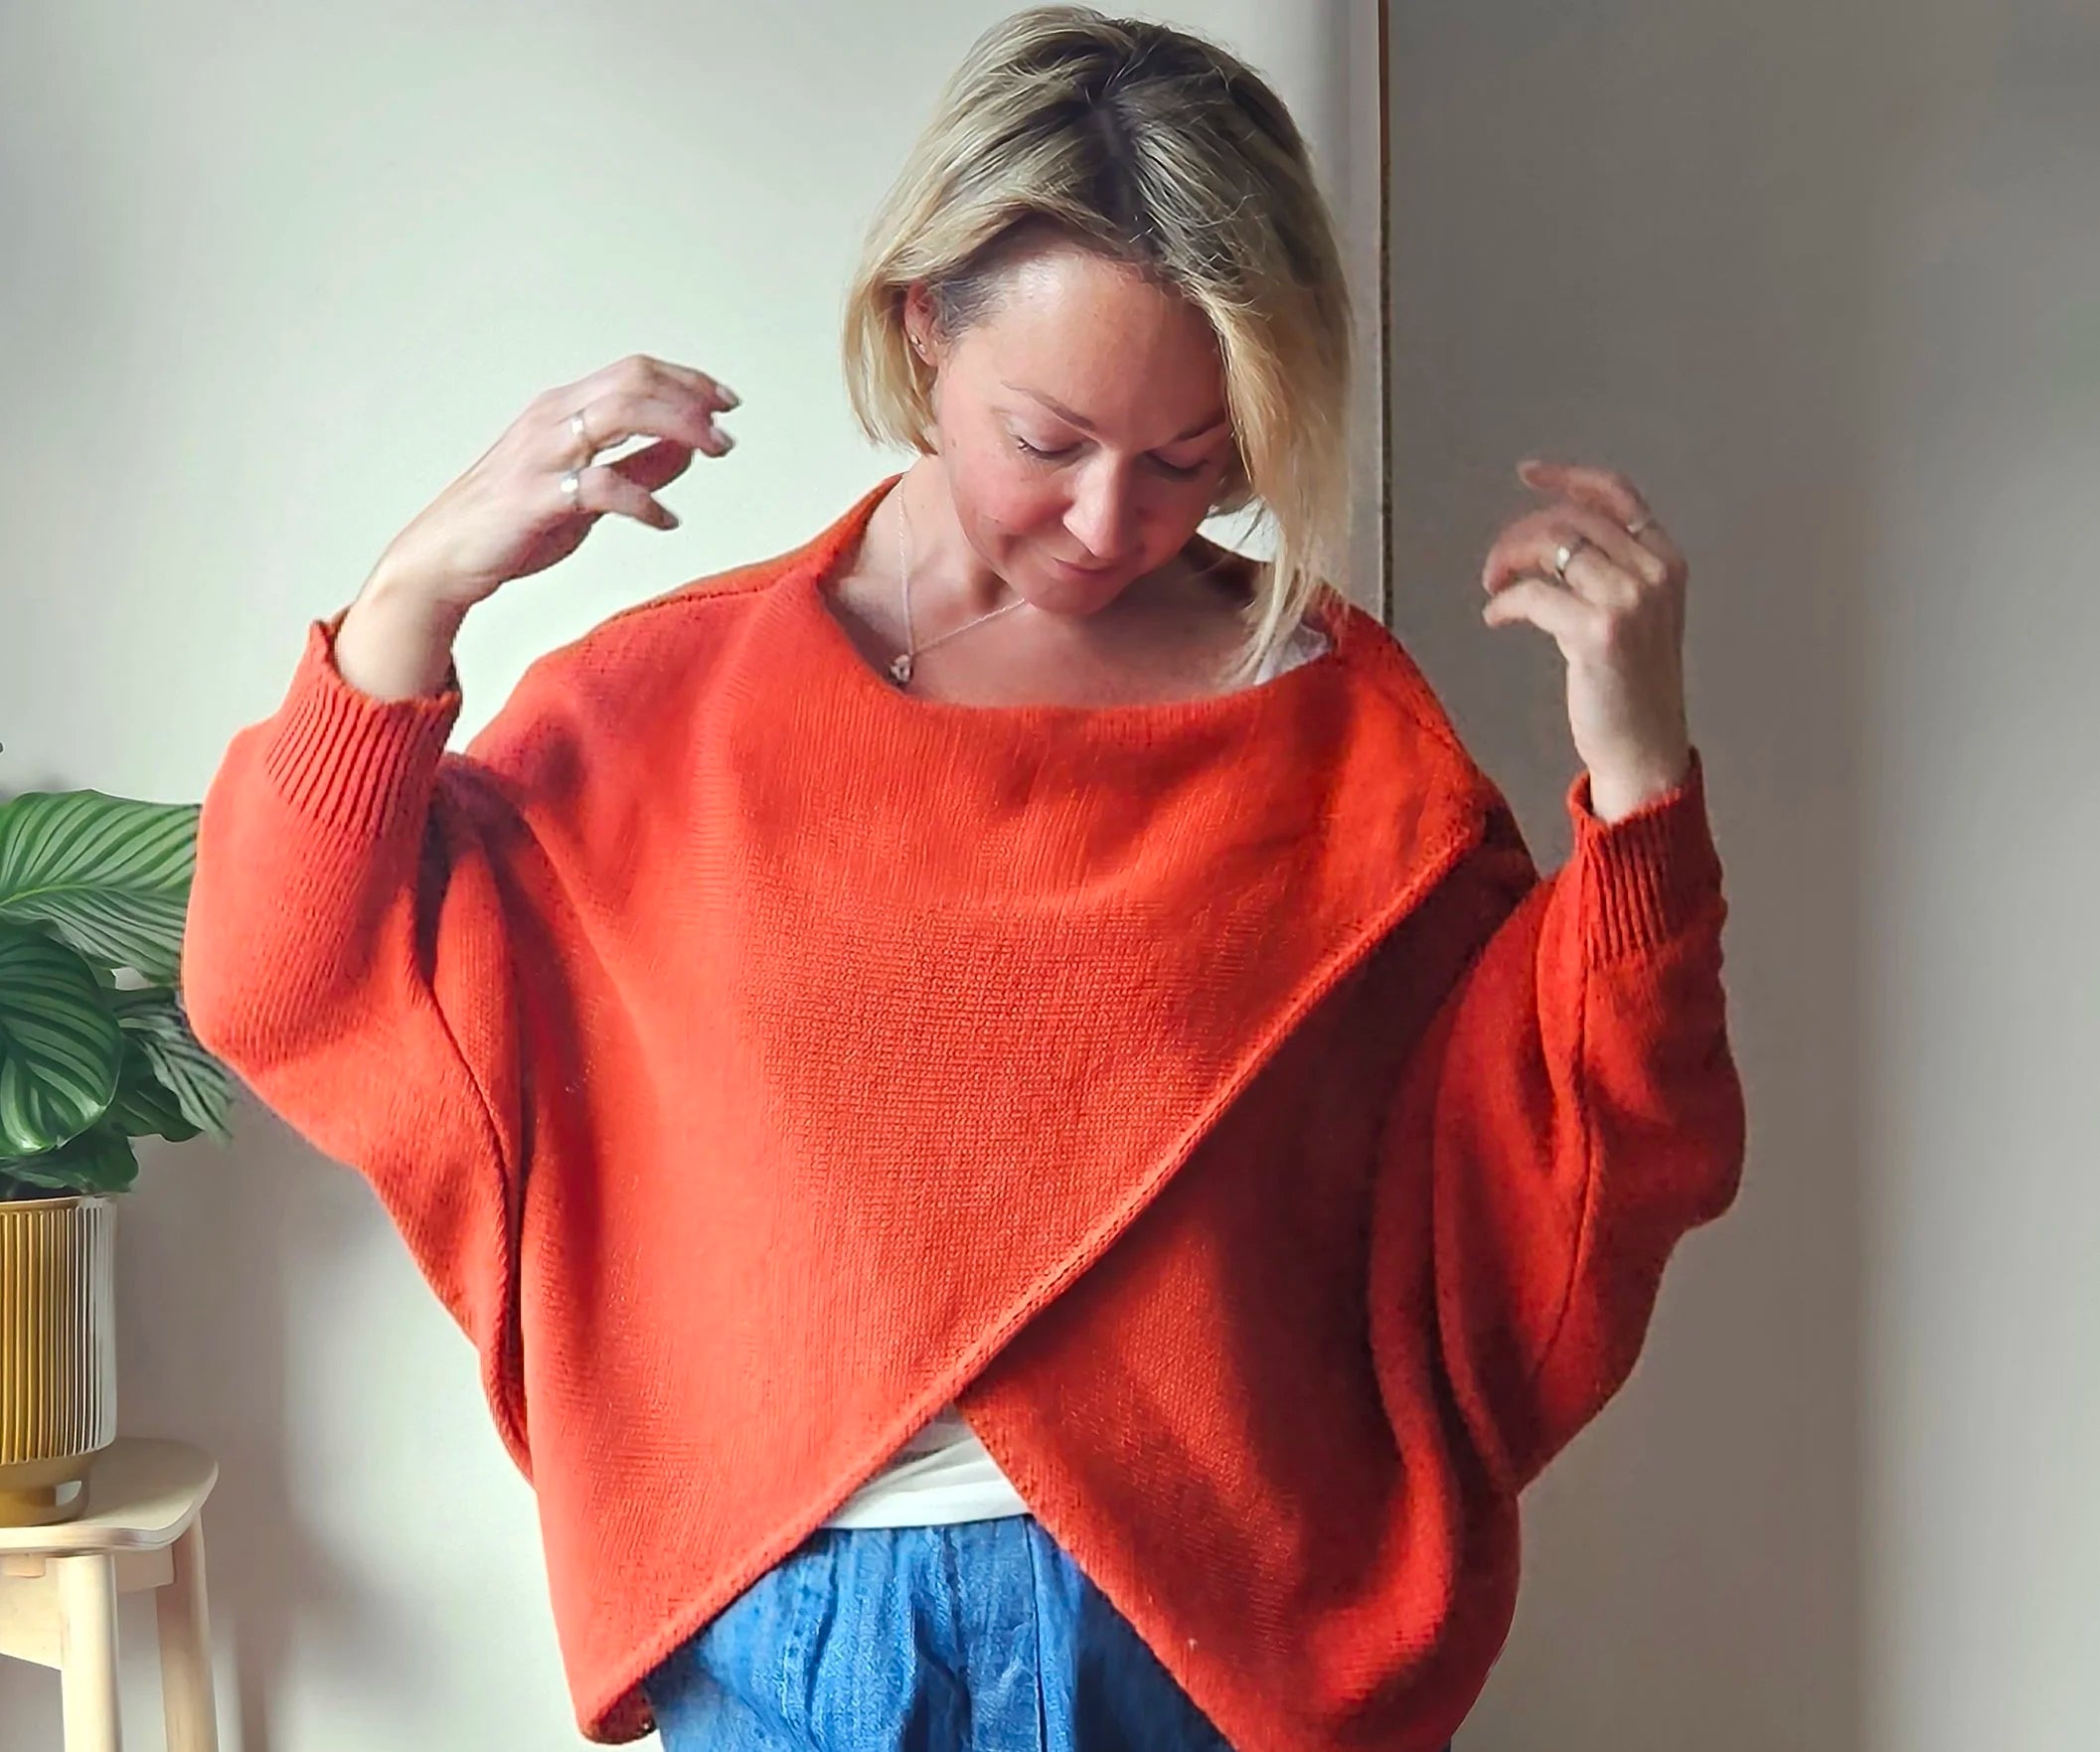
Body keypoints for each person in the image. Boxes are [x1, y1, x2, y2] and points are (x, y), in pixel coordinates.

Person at [182, 8, 1746, 1750]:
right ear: (922, 325)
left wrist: (1638, 772)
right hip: (779, 1638)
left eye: (1192, 456)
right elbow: (283, 979)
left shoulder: (1339, 733)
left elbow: (1587, 1173)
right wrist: (417, 595)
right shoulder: (664, 715)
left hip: (1192, 1654)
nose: (1106, 523)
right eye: (1049, 439)